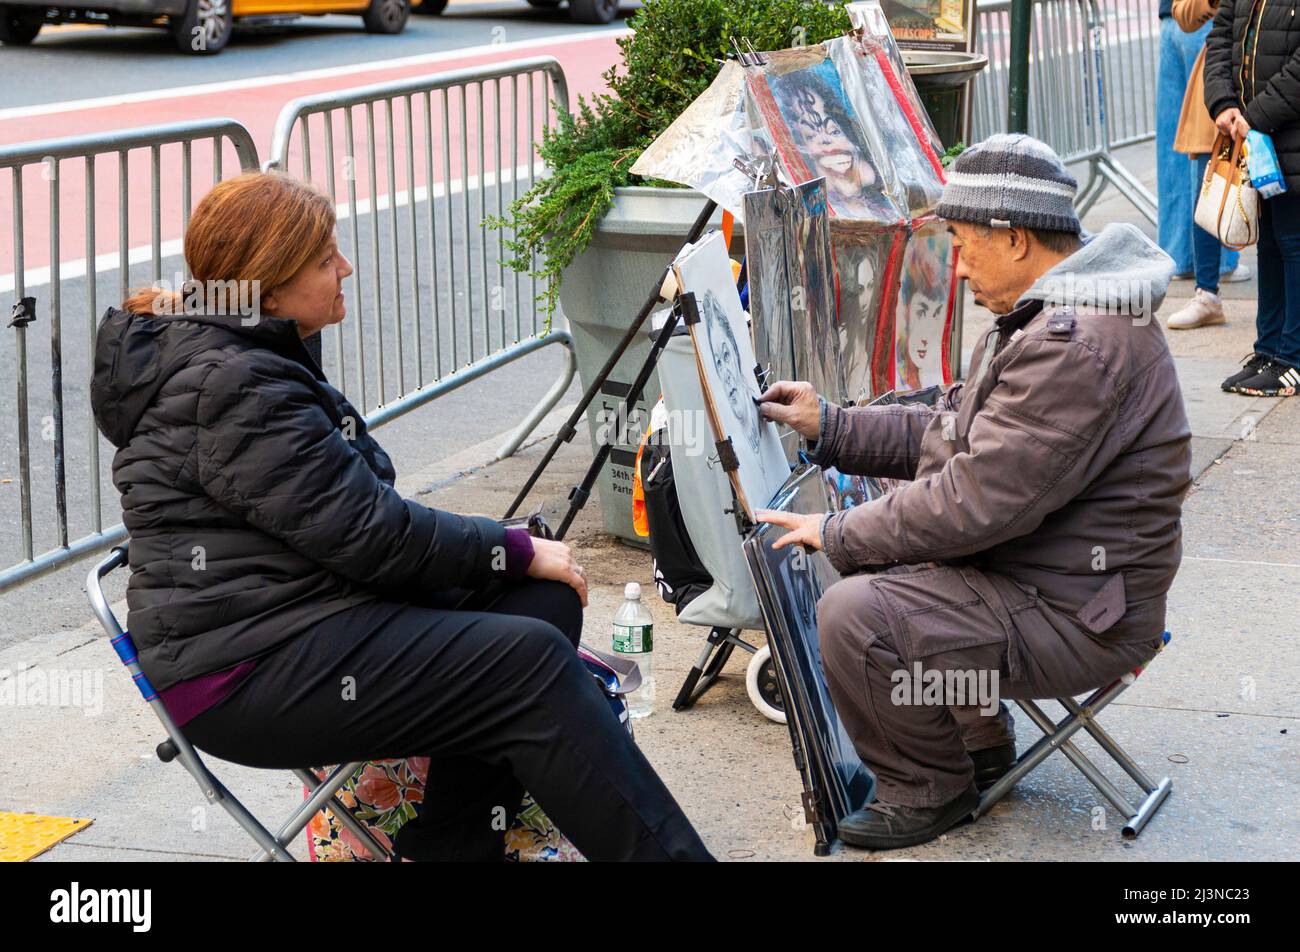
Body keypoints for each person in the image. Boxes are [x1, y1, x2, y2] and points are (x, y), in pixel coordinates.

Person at [89, 169, 713, 863]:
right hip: (241, 674)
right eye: (326, 259)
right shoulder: (234, 383)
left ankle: (453, 843)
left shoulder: (240, 354)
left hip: (294, 620)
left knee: (538, 602)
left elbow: (352, 523)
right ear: (268, 286)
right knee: (526, 663)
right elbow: (370, 537)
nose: (345, 267)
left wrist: (511, 557)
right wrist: (509, 545)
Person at [755, 134, 1191, 850]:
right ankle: (977, 740)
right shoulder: (1061, 317)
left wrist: (840, 533)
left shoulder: (1074, 343)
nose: (955, 268)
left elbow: (975, 501)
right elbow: (954, 430)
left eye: (962, 244)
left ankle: (928, 789)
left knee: (856, 612)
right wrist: (830, 425)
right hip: (1062, 584)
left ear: (1015, 239)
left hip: (1083, 616)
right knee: (887, 554)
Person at [1204, 0, 1300, 396]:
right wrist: (1223, 102)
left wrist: (1255, 114)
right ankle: (1269, 349)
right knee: (1272, 245)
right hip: (1257, 138)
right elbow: (1221, 37)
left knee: (1294, 244)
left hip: (1282, 130)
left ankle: (1292, 359)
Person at [1166, 0, 1250, 330]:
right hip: (1221, 79)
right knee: (1209, 187)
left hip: (1275, 76)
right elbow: (1184, 15)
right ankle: (1207, 294)